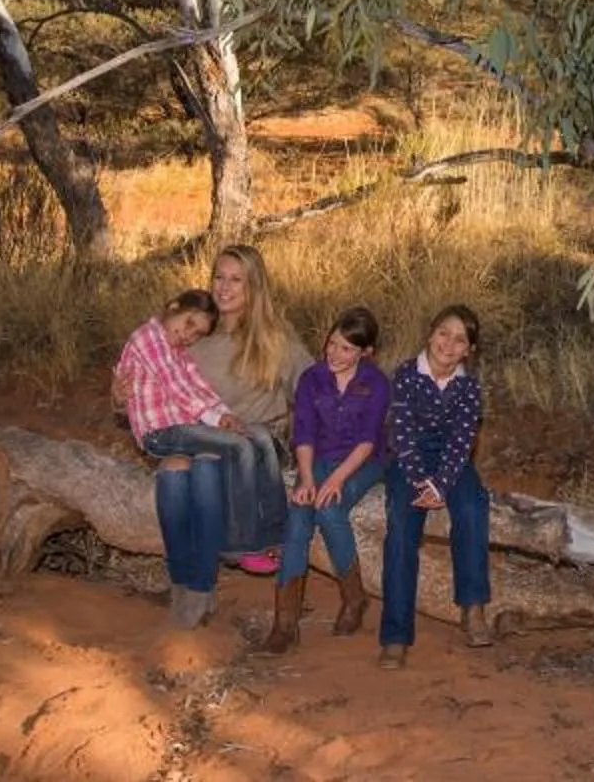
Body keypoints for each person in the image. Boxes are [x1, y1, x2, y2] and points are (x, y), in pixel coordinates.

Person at [111, 289, 255, 628]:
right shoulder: (150, 338)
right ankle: (189, 576)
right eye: (188, 324)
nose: (188, 335)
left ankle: (201, 587)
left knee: (205, 466)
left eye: (196, 333)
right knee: (191, 466)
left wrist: (223, 415)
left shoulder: (269, 341)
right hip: (169, 433)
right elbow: (177, 388)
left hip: (191, 428)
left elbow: (199, 388)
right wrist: (221, 422)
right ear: (172, 306)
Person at [263, 305, 390, 655]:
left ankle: (354, 599)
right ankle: (284, 623)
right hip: (317, 459)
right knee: (299, 517)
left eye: (347, 348)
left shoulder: (376, 383)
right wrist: (306, 478)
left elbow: (367, 441)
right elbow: (303, 432)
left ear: (366, 353)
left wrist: (335, 480)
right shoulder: (312, 378)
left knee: (331, 510)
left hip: (363, 461)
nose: (335, 353)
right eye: (332, 343)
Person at [377, 304, 492, 668]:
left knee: (473, 506)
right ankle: (395, 635)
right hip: (408, 459)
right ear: (430, 333)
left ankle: (472, 607)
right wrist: (418, 481)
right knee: (400, 527)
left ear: (468, 350)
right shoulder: (407, 375)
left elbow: (462, 442)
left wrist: (441, 485)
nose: (449, 343)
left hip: (450, 460)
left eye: (460, 339)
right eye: (444, 333)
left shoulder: (468, 387)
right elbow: (402, 434)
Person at [190, 243, 311, 575]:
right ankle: (208, 571)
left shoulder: (274, 339)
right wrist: (121, 394)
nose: (224, 287)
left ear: (253, 287)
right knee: (202, 465)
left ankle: (244, 542)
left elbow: (314, 389)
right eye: (219, 277)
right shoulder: (196, 337)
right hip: (210, 438)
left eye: (236, 280)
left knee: (213, 462)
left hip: (262, 444)